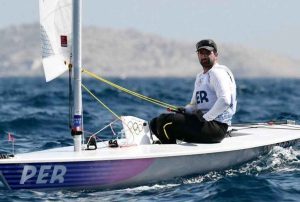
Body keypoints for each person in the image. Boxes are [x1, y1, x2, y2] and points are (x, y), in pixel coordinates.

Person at [150, 39, 237, 144]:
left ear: (216, 54)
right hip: (204, 124)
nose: (204, 56)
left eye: (208, 52)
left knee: (165, 121)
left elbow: (225, 101)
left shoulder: (217, 73)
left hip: (216, 127)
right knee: (154, 123)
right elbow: (194, 105)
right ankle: (168, 146)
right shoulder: (200, 76)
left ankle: (168, 151)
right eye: (201, 53)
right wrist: (184, 110)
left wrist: (206, 118)